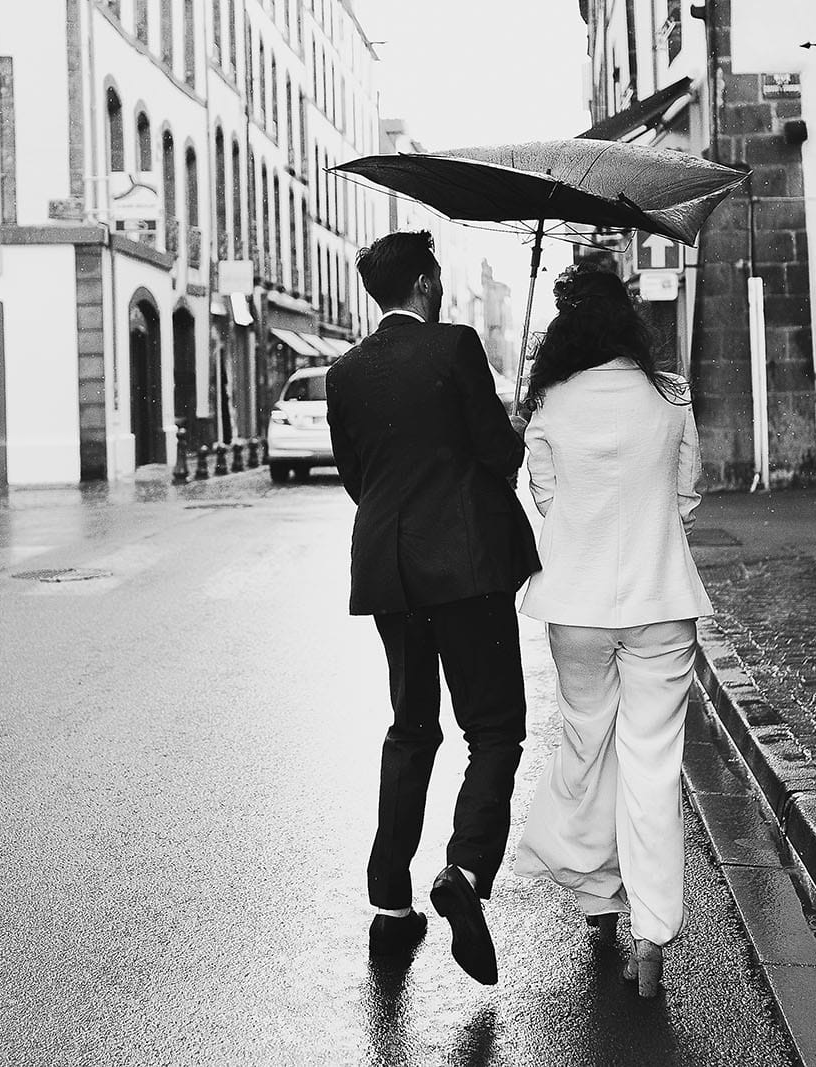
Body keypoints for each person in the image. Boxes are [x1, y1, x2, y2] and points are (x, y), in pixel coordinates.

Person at [325, 231, 539, 984]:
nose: (443, 289)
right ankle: (465, 870)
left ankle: (391, 903)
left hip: (390, 572)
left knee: (411, 728)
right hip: (466, 568)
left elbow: (357, 477)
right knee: (494, 728)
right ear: (422, 284)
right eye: (438, 278)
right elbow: (498, 454)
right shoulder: (455, 347)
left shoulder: (344, 371)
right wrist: (512, 431)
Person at [511, 266, 713, 998]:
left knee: (587, 745)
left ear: (567, 326)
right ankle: (651, 936)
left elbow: (545, 495)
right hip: (662, 598)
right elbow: (686, 493)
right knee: (652, 764)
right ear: (629, 321)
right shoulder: (672, 396)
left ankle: (598, 896)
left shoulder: (550, 402)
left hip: (578, 604)